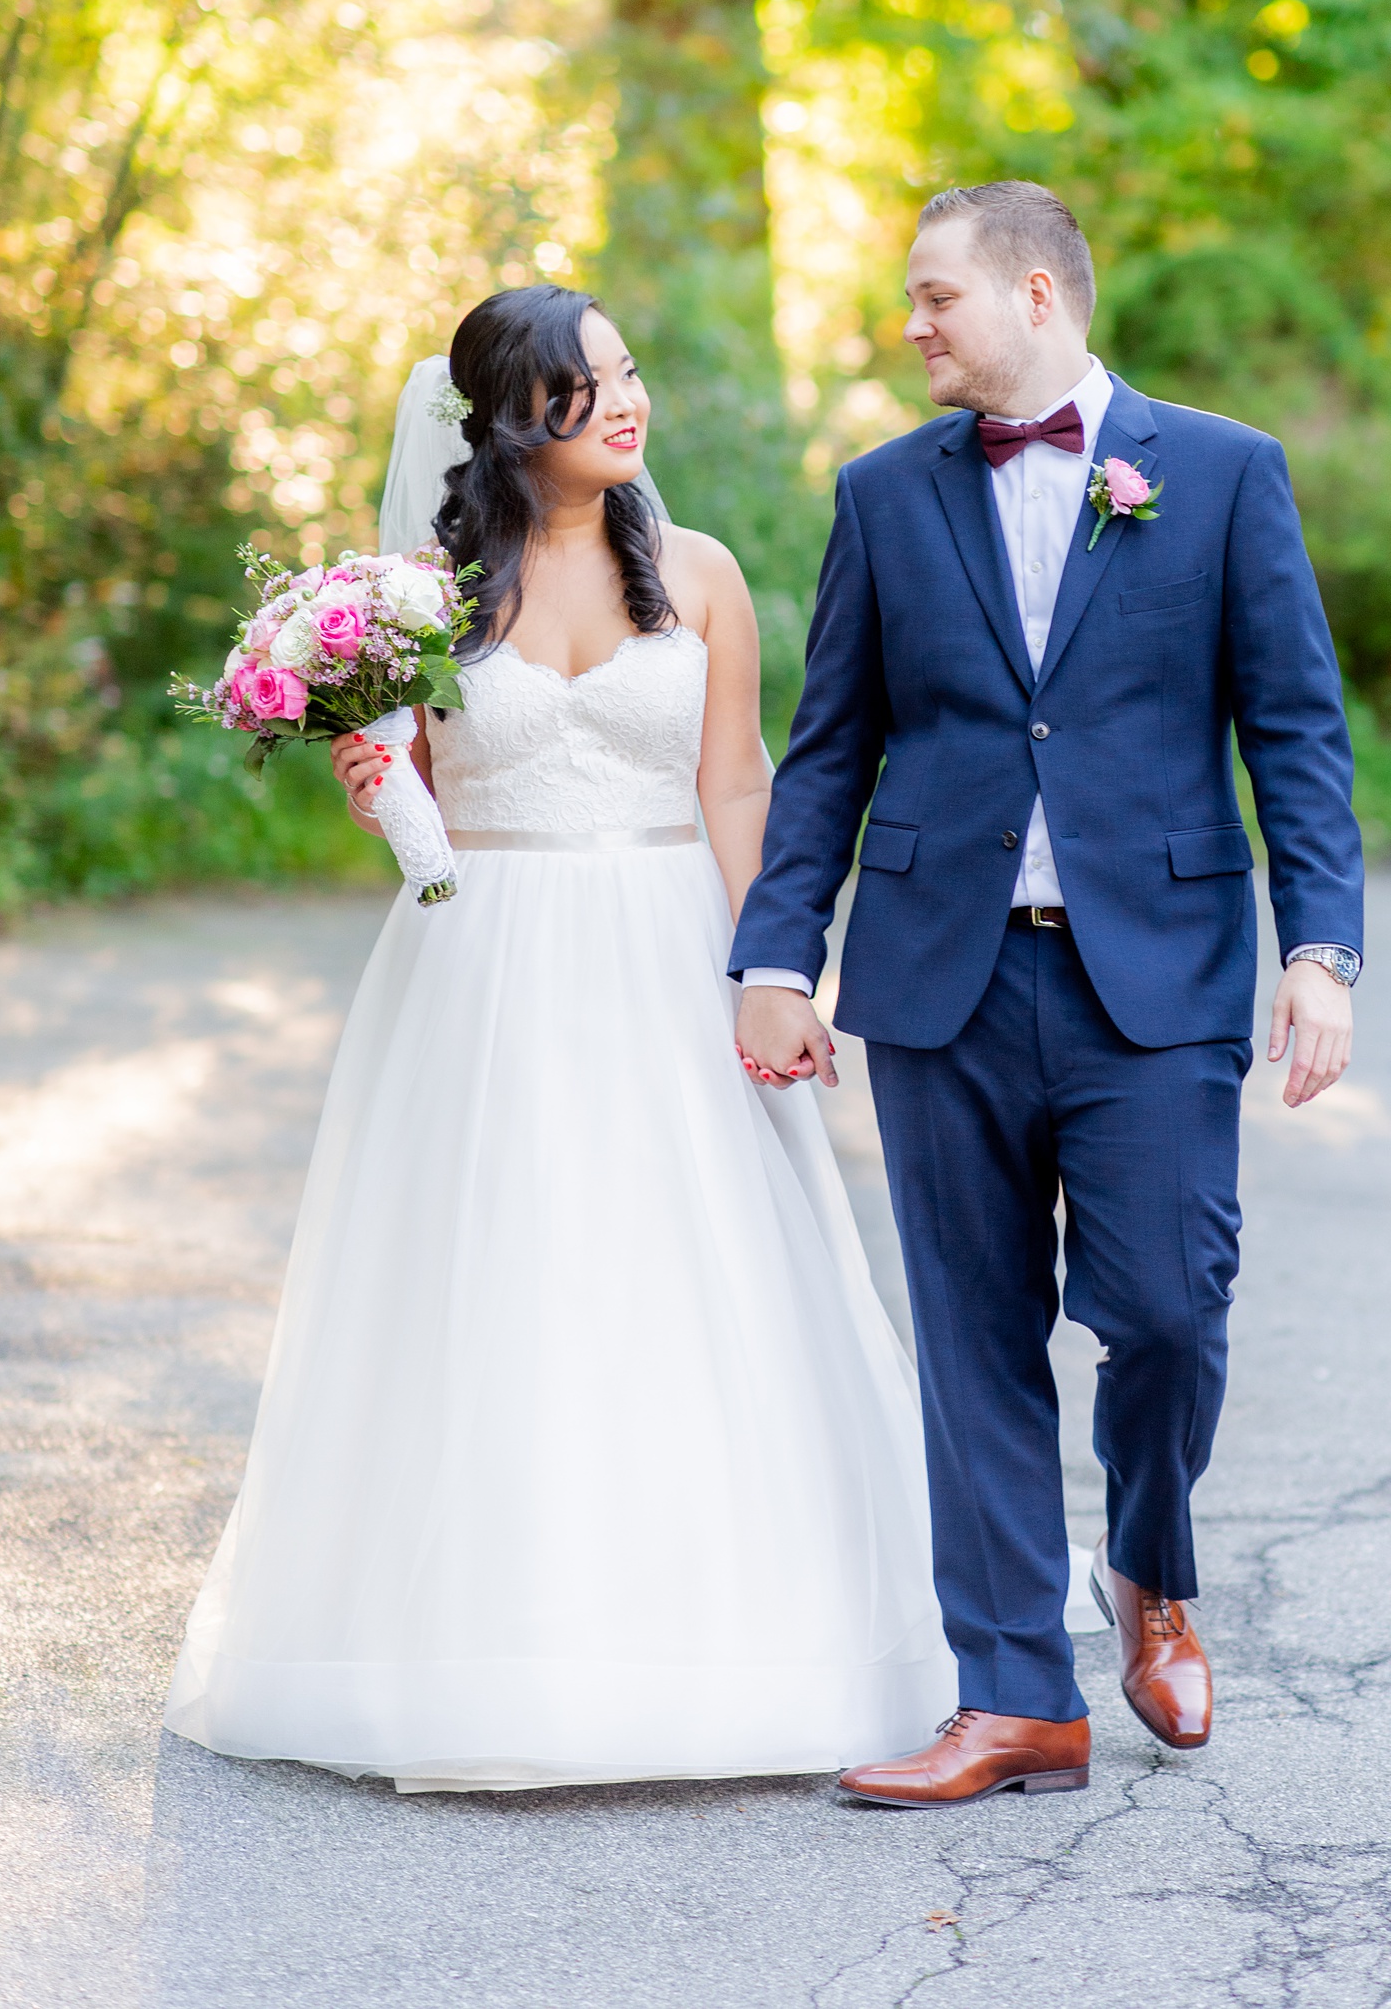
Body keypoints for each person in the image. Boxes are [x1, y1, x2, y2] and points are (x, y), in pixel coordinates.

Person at [164, 284, 956, 1793]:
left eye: (631, 370)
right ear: (520, 416)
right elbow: (422, 809)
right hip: (489, 963)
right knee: (502, 1275)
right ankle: (483, 1642)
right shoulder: (414, 596)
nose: (630, 400)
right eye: (594, 385)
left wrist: (774, 967)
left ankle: (735, 1627)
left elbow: (737, 786)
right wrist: (377, 781)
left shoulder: (704, 573)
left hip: (673, 950)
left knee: (702, 1270)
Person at [732, 182, 1363, 1808]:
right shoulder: (882, 496)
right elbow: (830, 752)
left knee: (1167, 1308)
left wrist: (1322, 951)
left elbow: (1293, 728)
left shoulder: (1219, 474)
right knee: (974, 1340)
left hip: (1153, 978)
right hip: (941, 975)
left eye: (935, 296)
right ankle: (1018, 1697)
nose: (912, 324)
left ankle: (1150, 1566)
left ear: (1033, 291)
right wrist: (778, 955)